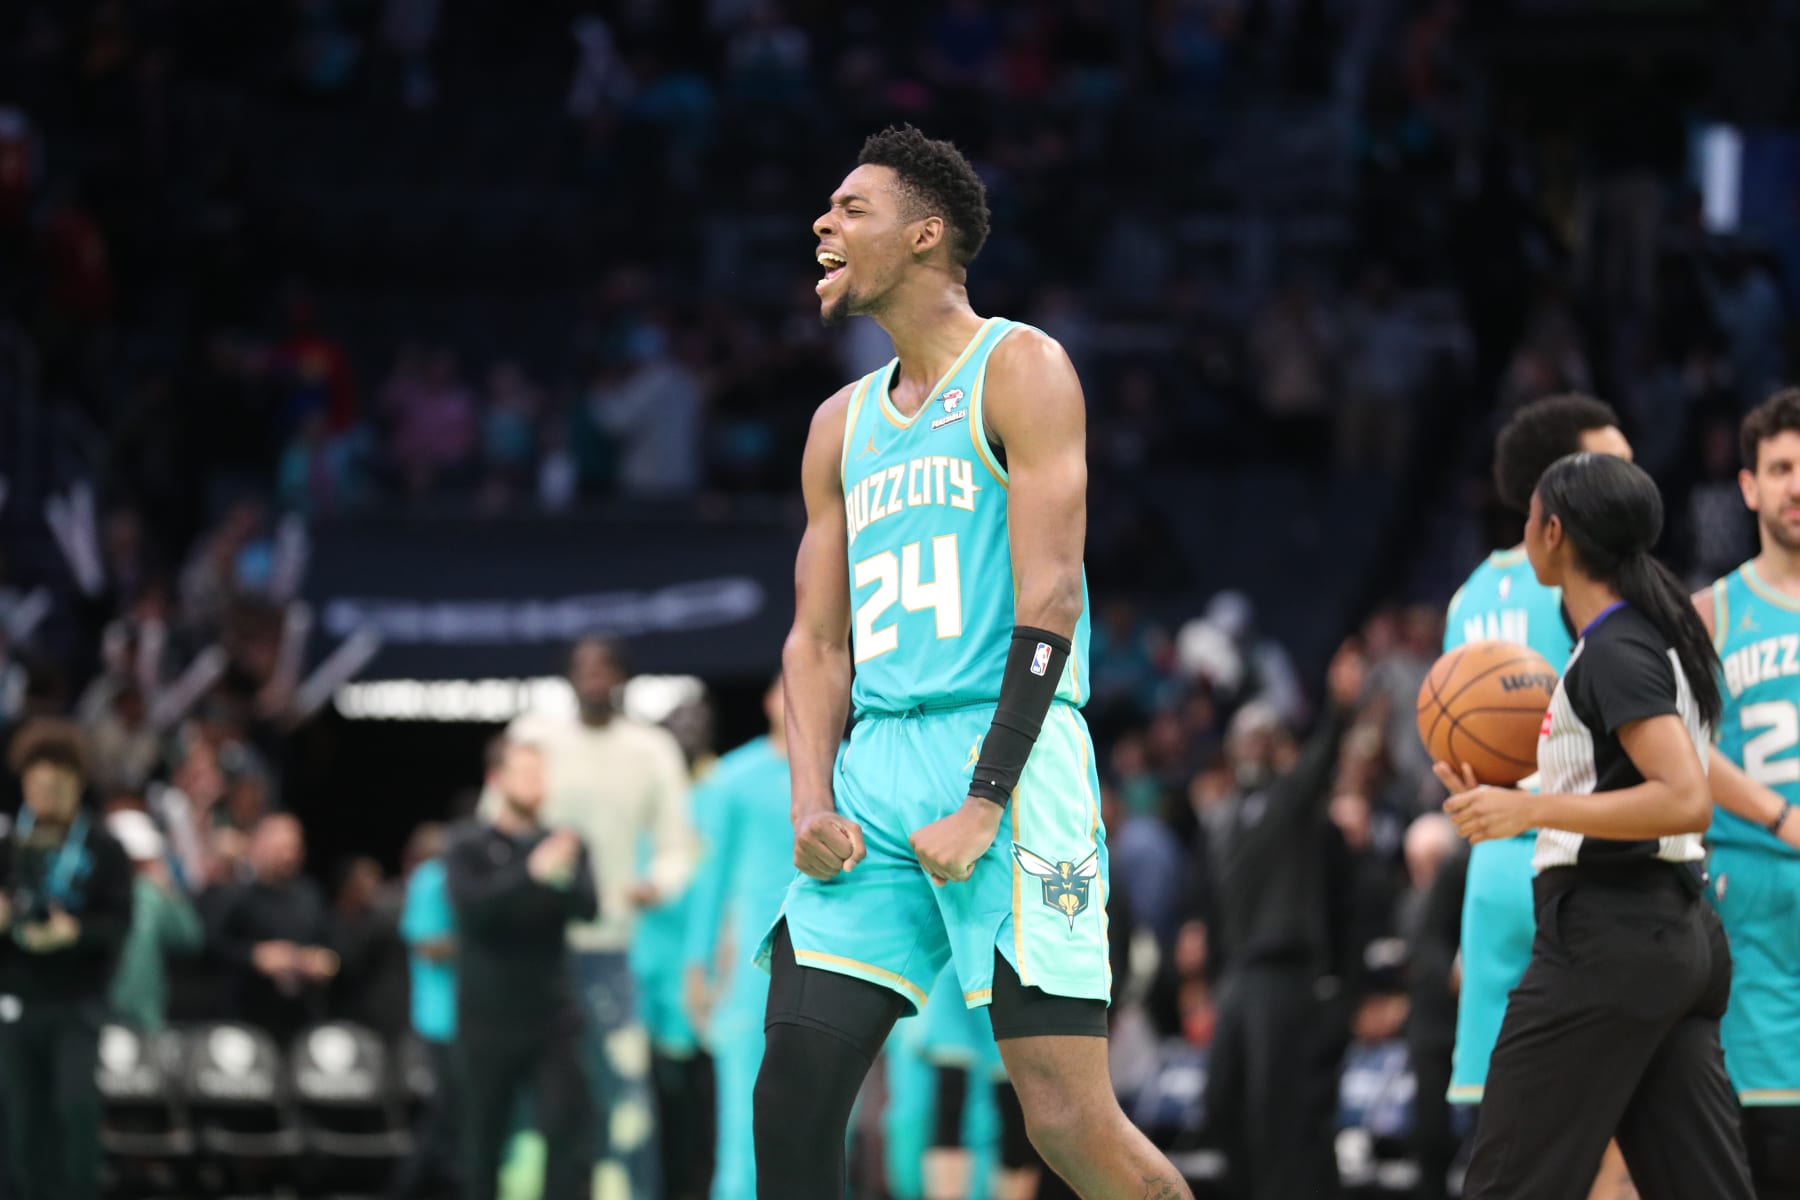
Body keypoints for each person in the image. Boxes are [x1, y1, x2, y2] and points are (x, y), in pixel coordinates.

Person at [754, 123, 1194, 1200]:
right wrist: (812, 795)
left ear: (926, 234)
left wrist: (987, 800)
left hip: (1014, 755)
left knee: (1068, 1126)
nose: (825, 223)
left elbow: (1052, 599)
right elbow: (815, 642)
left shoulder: (1024, 368)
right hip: (880, 770)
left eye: (852, 208)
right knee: (793, 1102)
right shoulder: (836, 426)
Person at [1435, 451, 1755, 1200]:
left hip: (1609, 935)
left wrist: (1531, 809)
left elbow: (1683, 797)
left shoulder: (1615, 648)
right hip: (1670, 937)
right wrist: (1521, 787)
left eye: (1528, 519)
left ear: (1554, 533)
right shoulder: (1645, 634)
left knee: (1506, 1182)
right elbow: (1632, 780)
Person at [1440, 394, 1638, 1198]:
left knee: (1509, 1146)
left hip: (1493, 885)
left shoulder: (1464, 598)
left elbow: (1447, 759)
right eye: (1614, 468)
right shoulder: (1596, 580)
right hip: (1587, 875)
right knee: (1620, 1144)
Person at [496, 636, 694, 1200]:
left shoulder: (651, 748)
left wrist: (659, 881)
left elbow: (678, 845)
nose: (594, 677)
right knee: (534, 1088)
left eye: (606, 667)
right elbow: (499, 827)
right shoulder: (535, 739)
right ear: (566, 676)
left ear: (625, 677)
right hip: (539, 947)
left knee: (622, 1090)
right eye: (583, 667)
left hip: (613, 945)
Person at [1205, 642, 1366, 1200]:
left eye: (1264, 738)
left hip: (1284, 975)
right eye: (1245, 738)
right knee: (1219, 1099)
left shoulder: (1291, 803)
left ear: (1279, 748)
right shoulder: (1222, 816)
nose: (1254, 747)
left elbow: (1321, 761)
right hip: (1237, 977)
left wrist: (1338, 708)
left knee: (1276, 1112)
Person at [1694, 388, 1800, 1199]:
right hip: (1755, 897)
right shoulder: (1711, 613)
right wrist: (1781, 816)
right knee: (1770, 1147)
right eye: (1781, 467)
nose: (1797, 484)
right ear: (1749, 486)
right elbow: (1677, 747)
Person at [448, 738, 598, 1200]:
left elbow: (588, 908)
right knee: (482, 1143)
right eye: (524, 772)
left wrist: (558, 872)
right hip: (486, 1020)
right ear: (496, 779)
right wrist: (532, 874)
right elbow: (474, 913)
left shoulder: (565, 844)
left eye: (540, 772)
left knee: (571, 1132)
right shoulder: (468, 844)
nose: (536, 782)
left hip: (552, 1017)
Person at [0, 719, 134, 1200]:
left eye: (59, 782)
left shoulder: (104, 848)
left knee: (73, 1110)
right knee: (17, 1115)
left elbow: (120, 923)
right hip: (15, 1001)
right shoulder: (8, 846)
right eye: (38, 782)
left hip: (77, 1003)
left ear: (77, 783)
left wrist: (76, 932)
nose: (48, 793)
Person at [681, 675, 792, 1200]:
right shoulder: (731, 779)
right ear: (769, 700)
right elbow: (709, 883)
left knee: (828, 1111)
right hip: (749, 968)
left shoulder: (852, 769)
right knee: (742, 1110)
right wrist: (696, 967)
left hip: (833, 960)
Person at [205, 812, 338, 1044]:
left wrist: (322, 961)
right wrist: (254, 956)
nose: (288, 856)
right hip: (244, 1020)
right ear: (259, 846)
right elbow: (208, 948)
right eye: (281, 847)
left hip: (301, 1022)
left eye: (294, 848)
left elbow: (333, 948)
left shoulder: (310, 896)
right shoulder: (233, 895)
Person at [390, 821, 456, 1200]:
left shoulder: (466, 880)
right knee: (441, 1117)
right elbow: (426, 945)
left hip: (471, 1022)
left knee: (452, 1119)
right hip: (438, 1020)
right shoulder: (428, 881)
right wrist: (478, 942)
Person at [106, 808, 204, 1032]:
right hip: (99, 1012)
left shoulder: (151, 894)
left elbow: (191, 938)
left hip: (143, 1017)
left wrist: (169, 890)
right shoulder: (99, 893)